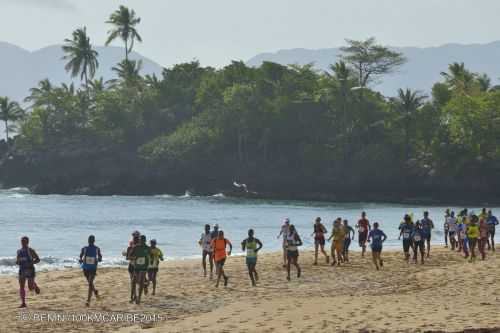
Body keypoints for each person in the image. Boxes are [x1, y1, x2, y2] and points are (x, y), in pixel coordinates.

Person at [16, 236, 41, 308]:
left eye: (24, 241)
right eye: (22, 241)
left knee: (31, 288)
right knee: (21, 286)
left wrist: (32, 262)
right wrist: (18, 262)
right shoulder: (19, 251)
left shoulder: (31, 250)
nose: (22, 242)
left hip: (30, 270)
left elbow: (38, 259)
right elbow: (17, 261)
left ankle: (35, 286)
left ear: (27, 242)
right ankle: (23, 303)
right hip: (22, 270)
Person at [79, 235, 102, 306]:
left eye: (92, 240)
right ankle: (95, 291)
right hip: (85, 268)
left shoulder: (97, 249)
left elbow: (100, 257)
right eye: (90, 240)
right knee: (90, 283)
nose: (91, 241)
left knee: (90, 283)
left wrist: (98, 259)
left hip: (93, 268)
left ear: (93, 241)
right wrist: (80, 260)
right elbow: (80, 256)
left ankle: (88, 301)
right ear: (89, 241)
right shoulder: (84, 248)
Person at [129, 235, 150, 304]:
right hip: (137, 267)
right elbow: (130, 256)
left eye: (143, 240)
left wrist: (148, 263)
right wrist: (134, 258)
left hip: (144, 267)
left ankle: (138, 298)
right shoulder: (136, 247)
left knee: (140, 282)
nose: (142, 241)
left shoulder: (147, 248)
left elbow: (150, 256)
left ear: (145, 240)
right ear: (139, 240)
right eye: (141, 240)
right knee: (134, 281)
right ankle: (133, 297)